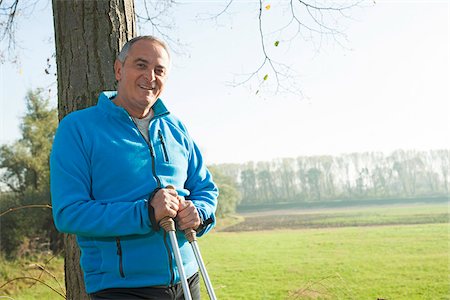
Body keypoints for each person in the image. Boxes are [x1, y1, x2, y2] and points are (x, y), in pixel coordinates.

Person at [50, 35, 218, 300]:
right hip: (122, 289)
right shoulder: (78, 128)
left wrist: (199, 213)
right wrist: (146, 213)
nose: (150, 76)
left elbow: (206, 188)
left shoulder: (175, 127)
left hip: (188, 278)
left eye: (159, 70)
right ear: (119, 69)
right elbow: (69, 213)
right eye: (141, 65)